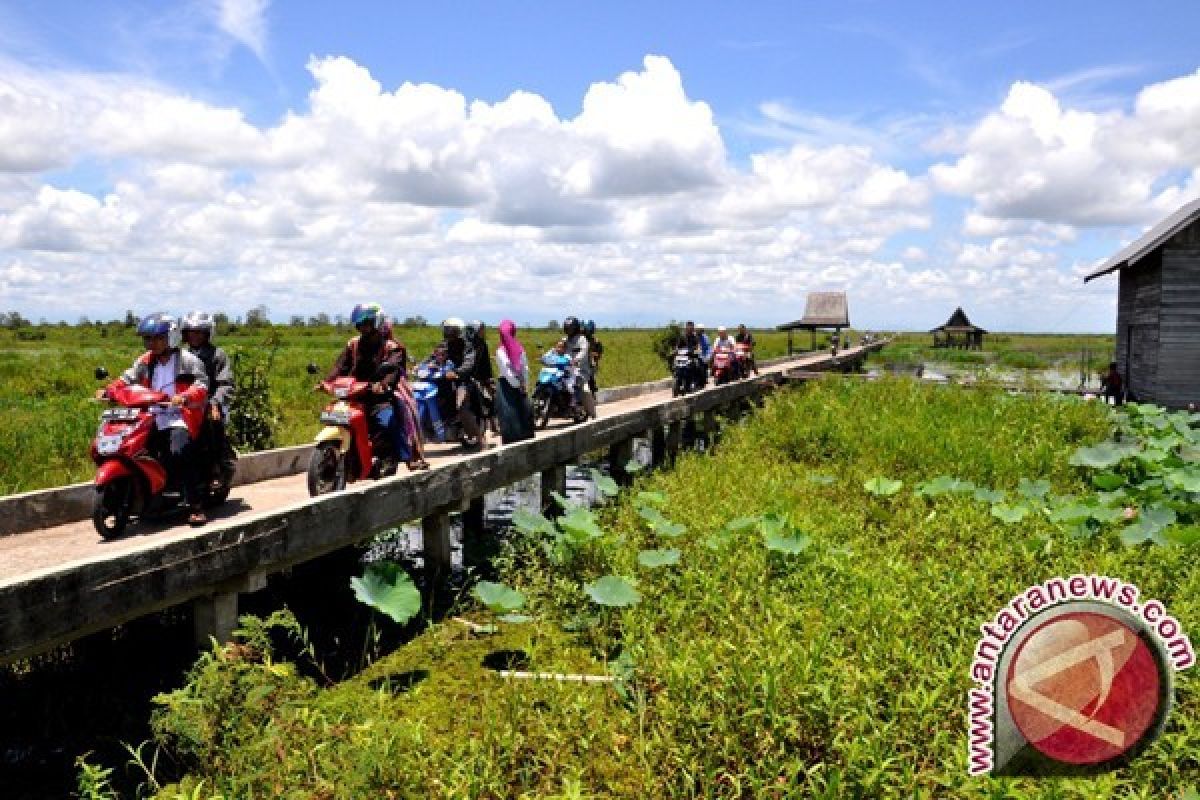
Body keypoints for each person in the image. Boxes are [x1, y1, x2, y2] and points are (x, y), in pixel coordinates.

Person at [96, 312, 210, 525]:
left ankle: (196, 506)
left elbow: (202, 385)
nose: (152, 343)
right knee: (129, 448)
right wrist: (108, 390)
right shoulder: (145, 361)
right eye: (148, 338)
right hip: (150, 416)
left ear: (172, 337)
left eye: (158, 338)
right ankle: (141, 496)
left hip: (178, 416)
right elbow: (125, 379)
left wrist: (184, 397)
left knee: (179, 451)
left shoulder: (188, 360)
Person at [325, 303, 410, 471]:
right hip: (354, 393)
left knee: (385, 421)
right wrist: (326, 382)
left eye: (367, 323)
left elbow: (393, 369)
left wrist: (384, 384)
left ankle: (386, 457)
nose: (363, 328)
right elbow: (340, 366)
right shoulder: (354, 344)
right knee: (333, 415)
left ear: (376, 322)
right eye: (360, 324)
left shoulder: (392, 347)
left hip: (378, 396)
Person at [181, 311, 237, 487]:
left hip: (210, 403)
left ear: (207, 333)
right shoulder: (180, 356)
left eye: (199, 332)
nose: (194, 335)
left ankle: (215, 469)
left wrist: (215, 402)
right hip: (184, 403)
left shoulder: (217, 355)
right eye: (191, 331)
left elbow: (226, 384)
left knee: (210, 425)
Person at [380, 316, 428, 470]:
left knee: (406, 411)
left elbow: (395, 370)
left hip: (395, 383)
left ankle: (413, 456)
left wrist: (385, 382)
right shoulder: (364, 345)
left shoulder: (395, 346)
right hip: (370, 383)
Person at [441, 317, 484, 448]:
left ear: (458, 331)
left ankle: (479, 439)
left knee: (461, 406)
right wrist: (421, 366)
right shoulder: (444, 344)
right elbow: (433, 356)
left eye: (452, 330)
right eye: (447, 330)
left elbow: (469, 363)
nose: (449, 333)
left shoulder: (467, 345)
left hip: (463, 380)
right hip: (446, 380)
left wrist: (457, 372)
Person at [494, 319, 534, 443]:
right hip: (518, 386)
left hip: (507, 387)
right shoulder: (519, 349)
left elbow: (507, 371)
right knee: (520, 417)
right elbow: (524, 369)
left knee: (511, 418)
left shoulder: (500, 351)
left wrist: (517, 384)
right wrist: (523, 384)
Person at [467, 319, 498, 436]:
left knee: (491, 397)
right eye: (481, 330)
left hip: (480, 376)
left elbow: (486, 364)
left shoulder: (482, 344)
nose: (482, 332)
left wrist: (488, 378)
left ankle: (493, 422)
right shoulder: (464, 343)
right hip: (466, 376)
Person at [563, 316, 596, 419]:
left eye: (571, 328)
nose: (569, 330)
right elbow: (557, 349)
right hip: (566, 368)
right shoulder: (565, 340)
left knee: (583, 388)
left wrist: (576, 359)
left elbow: (583, 351)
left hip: (580, 370)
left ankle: (585, 409)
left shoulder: (582, 340)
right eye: (567, 328)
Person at [583, 319, 603, 394]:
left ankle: (592, 389)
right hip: (578, 363)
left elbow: (599, 355)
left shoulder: (596, 342)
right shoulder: (578, 340)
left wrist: (590, 354)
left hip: (590, 365)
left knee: (590, 377)